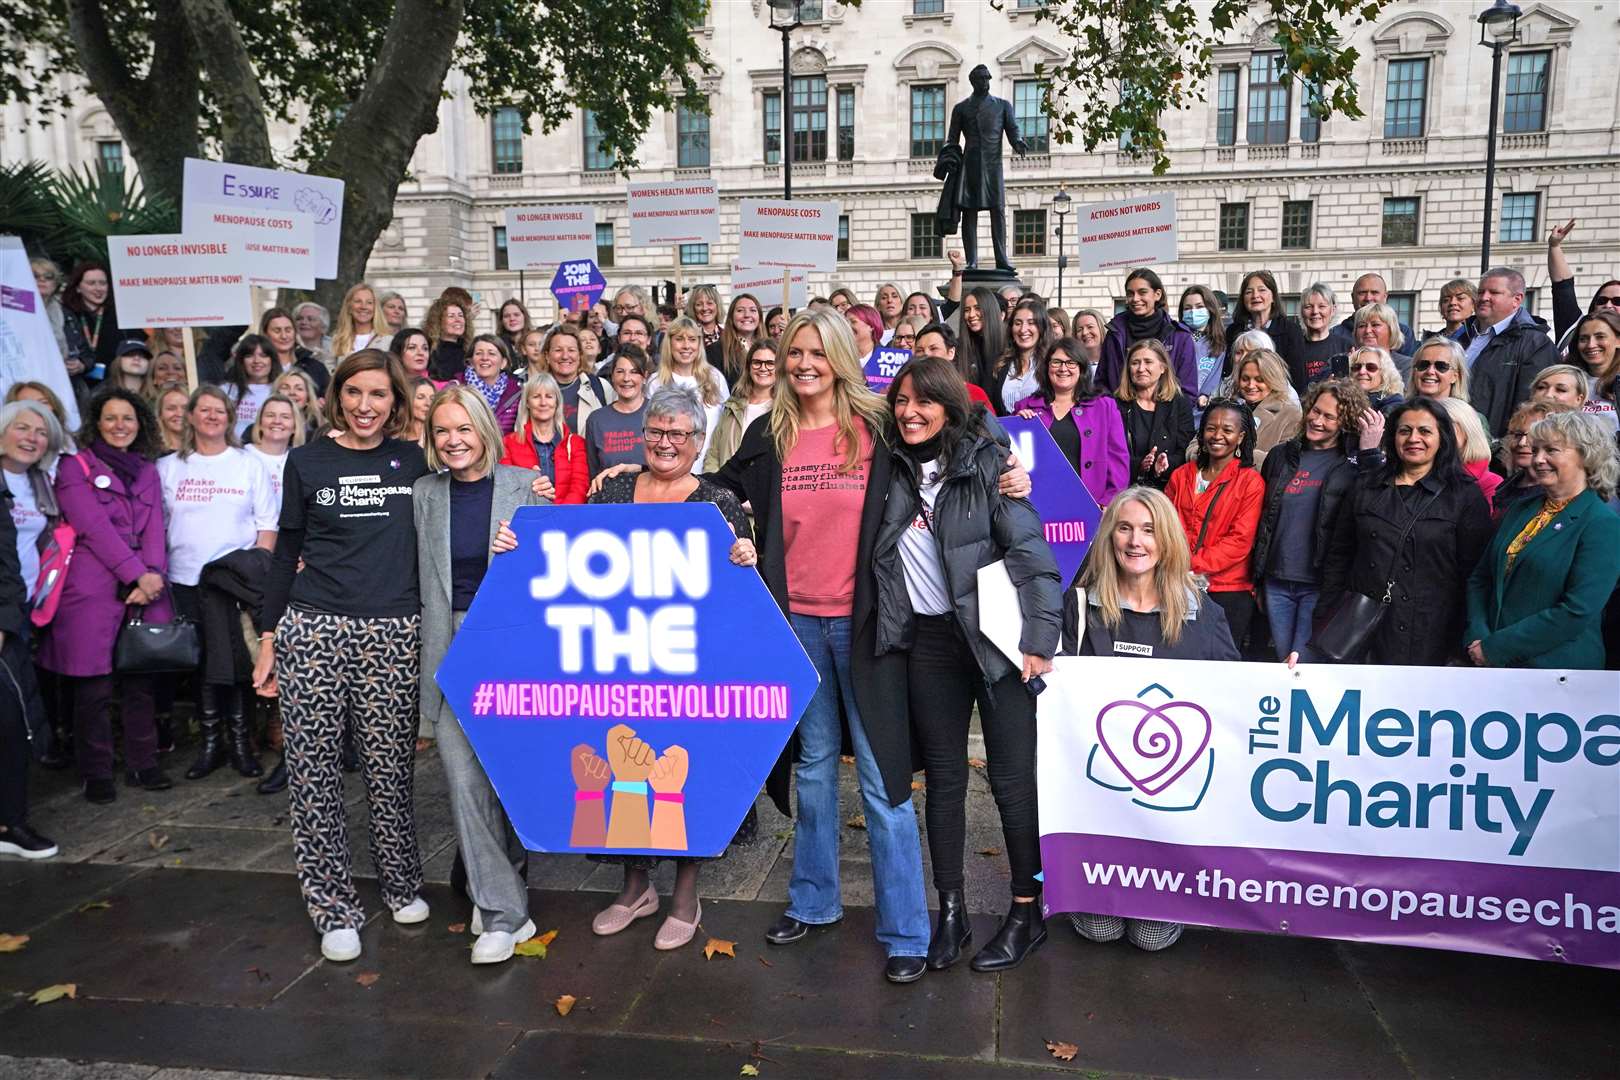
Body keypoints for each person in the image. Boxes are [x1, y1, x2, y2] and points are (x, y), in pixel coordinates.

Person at [710, 309, 1008, 984]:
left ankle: (907, 929)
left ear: (841, 356)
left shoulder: (876, 425)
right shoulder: (770, 433)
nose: (803, 363)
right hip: (796, 625)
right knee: (814, 769)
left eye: (817, 351)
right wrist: (736, 531)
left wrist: (1007, 473)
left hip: (868, 622)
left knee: (881, 778)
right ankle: (814, 903)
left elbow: (966, 430)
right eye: (794, 353)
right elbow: (719, 488)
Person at [876, 355, 1061, 972]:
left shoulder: (989, 464)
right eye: (901, 401)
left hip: (998, 645)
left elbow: (1032, 555)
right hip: (930, 645)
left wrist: (1040, 639)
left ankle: (1025, 909)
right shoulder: (889, 467)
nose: (909, 413)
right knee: (945, 782)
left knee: (1012, 783)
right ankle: (949, 911)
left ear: (950, 407)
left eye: (923, 402)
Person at [251, 349, 433, 964]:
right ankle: (332, 903)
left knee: (389, 770)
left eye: (378, 394)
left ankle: (402, 881)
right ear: (336, 397)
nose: (365, 405)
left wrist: (533, 487)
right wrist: (269, 638)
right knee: (314, 773)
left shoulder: (417, 460)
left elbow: (474, 484)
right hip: (315, 627)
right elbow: (286, 550)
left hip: (394, 631)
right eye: (354, 392)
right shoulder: (306, 462)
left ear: (396, 402)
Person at [584, 386, 759, 951]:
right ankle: (636, 886)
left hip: (691, 666)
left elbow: (740, 593)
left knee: (684, 770)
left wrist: (744, 557)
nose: (664, 443)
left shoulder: (717, 503)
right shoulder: (610, 493)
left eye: (677, 434)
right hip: (619, 658)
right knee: (624, 762)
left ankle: (686, 891)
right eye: (656, 432)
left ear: (698, 441)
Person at [1059, 486, 1237, 952]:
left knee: (1152, 938)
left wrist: (1286, 682)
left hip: (1169, 801)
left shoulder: (1201, 611)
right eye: (1124, 528)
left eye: (1148, 530)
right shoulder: (1078, 608)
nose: (1136, 542)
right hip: (1099, 796)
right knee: (1101, 930)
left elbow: (1237, 693)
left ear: (1167, 540)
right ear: (1109, 537)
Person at [414, 386, 546, 962]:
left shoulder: (525, 485)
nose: (453, 441)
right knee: (463, 778)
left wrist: (522, 549)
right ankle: (502, 911)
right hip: (449, 646)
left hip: (512, 647)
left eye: (463, 429)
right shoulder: (424, 493)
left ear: (485, 431)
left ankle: (499, 885)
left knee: (510, 781)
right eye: (442, 431)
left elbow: (554, 569)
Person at [40, 388, 173, 802]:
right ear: (97, 422)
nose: (120, 426)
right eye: (111, 418)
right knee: (92, 686)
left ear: (140, 424)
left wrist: (151, 577)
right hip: (92, 588)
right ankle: (96, 770)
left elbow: (155, 527)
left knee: (140, 677)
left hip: (145, 588)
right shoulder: (74, 467)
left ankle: (142, 762)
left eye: (128, 419)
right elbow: (92, 525)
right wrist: (134, 574)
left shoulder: (147, 469)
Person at [157, 386, 278, 781]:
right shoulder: (169, 467)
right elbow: (157, 525)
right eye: (203, 410)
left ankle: (242, 745)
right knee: (205, 665)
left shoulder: (247, 463)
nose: (212, 417)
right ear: (189, 416)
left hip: (234, 584)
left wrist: (254, 575)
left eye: (219, 411)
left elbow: (267, 525)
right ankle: (212, 744)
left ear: (230, 417)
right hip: (186, 580)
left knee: (239, 663)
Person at [1319, 398, 1493, 666]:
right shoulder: (1366, 487)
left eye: (1425, 431)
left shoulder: (1464, 495)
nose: (1414, 438)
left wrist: (1462, 643)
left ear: (1442, 438)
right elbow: (1339, 557)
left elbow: (1474, 573)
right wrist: (1325, 618)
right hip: (1364, 630)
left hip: (1433, 633)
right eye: (1405, 430)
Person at [1466, 410, 1620, 670]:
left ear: (1586, 455)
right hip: (1492, 667)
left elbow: (1577, 611)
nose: (1538, 459)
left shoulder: (1602, 523)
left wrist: (1497, 648)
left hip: (1557, 674)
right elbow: (1480, 578)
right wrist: (1478, 637)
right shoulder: (1519, 509)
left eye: (1551, 450)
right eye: (1536, 450)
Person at [1252, 379, 1382, 662]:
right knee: (1283, 663)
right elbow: (1264, 521)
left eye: (1329, 416)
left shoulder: (1352, 465)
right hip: (1277, 581)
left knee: (1304, 666)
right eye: (1315, 411)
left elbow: (1373, 508)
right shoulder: (1281, 456)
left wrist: (1369, 452)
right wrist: (1258, 578)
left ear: (1345, 422)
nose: (1317, 420)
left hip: (1320, 585)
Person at [0, 400, 59, 858]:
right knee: (10, 719)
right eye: (22, 427)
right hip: (5, 616)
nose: (31, 437)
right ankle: (10, 823)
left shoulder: (41, 483)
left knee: (15, 717)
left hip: (24, 612)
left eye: (41, 431)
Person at [1164, 398, 1265, 651]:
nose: (1217, 435)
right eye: (1211, 428)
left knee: (1220, 664)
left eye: (1227, 430)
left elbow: (1239, 541)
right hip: (1178, 586)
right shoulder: (1181, 475)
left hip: (1228, 589)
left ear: (1241, 437)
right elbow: (1166, 527)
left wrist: (1189, 562)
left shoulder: (1250, 482)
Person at [1015, 337, 1129, 507]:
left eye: (1071, 363)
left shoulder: (1105, 407)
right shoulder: (1024, 407)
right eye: (1056, 362)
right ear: (1046, 367)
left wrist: (1108, 504)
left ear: (1081, 368)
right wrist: (1019, 426)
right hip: (1039, 505)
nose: (1063, 368)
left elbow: (1118, 461)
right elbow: (1013, 460)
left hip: (1092, 505)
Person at [1467, 267, 1561, 438]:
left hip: (1496, 452)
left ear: (1517, 300)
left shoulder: (1536, 345)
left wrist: (1505, 450)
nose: (1483, 298)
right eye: (1480, 292)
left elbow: (1532, 406)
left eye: (1493, 292)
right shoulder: (1461, 337)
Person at [1096, 269, 1197, 397]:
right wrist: (1113, 411)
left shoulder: (1180, 336)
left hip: (1168, 414)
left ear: (1157, 294)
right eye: (1130, 294)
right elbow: (1101, 383)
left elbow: (1188, 391)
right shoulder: (1115, 334)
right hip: (1119, 413)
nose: (1135, 299)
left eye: (1142, 292)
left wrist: (1168, 415)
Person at [1115, 339, 1194, 490]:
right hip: (1126, 489)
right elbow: (1112, 453)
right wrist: (1140, 465)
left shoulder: (1179, 403)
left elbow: (1185, 450)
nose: (1140, 368)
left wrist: (1165, 464)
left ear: (1163, 367)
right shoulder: (1116, 405)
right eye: (1135, 363)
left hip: (1168, 489)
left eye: (1148, 362)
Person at [500, 373, 587, 504]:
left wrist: (559, 518)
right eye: (536, 396)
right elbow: (507, 488)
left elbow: (580, 487)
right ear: (527, 403)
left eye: (549, 396)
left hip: (567, 520)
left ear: (557, 402)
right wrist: (529, 484)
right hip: (528, 519)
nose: (543, 402)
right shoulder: (508, 443)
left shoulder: (576, 443)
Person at [645, 316, 728, 443]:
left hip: (712, 461)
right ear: (669, 343)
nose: (686, 346)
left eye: (692, 339)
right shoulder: (656, 382)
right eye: (679, 339)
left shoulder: (715, 377)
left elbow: (726, 423)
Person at [1546, 218, 1620, 355]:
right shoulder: (1574, 329)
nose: (1608, 305)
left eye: (1618, 301)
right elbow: (1562, 287)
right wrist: (1554, 245)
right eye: (1602, 300)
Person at [705, 341, 775, 475]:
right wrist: (717, 489)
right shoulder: (732, 406)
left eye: (770, 363)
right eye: (757, 362)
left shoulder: (785, 410)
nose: (763, 368)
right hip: (727, 491)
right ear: (749, 367)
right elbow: (714, 452)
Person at [1494, 399, 1574, 516]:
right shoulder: (1507, 485)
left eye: (1532, 436)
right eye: (1518, 435)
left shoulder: (1561, 496)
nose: (1522, 443)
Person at [1226, 270, 1306, 384]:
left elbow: (1298, 376)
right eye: (1249, 292)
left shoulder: (1291, 331)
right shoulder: (1233, 331)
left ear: (1273, 296)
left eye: (1262, 290)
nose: (1255, 296)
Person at [584, 345, 650, 480]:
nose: (626, 378)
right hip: (610, 498)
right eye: (620, 371)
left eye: (634, 372)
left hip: (653, 497)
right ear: (612, 376)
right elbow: (592, 473)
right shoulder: (596, 420)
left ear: (645, 377)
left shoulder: (659, 413)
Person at [987, 297, 1053, 416]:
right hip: (1003, 433)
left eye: (1031, 323)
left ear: (1042, 327)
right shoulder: (998, 363)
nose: (1023, 329)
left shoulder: (1052, 364)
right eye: (1018, 323)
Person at [1233, 349, 1301, 461]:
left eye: (1259, 380)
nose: (1251, 385)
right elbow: (1195, 447)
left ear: (1272, 379)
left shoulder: (1291, 414)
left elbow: (1283, 464)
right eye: (1245, 379)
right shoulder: (1226, 407)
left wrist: (1232, 453)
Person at [1434, 396, 1501, 509]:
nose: (1436, 433)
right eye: (1427, 428)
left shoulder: (1490, 483)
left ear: (1467, 429)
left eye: (1445, 425)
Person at [544, 325, 610, 437]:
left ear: (580, 355)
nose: (565, 356)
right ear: (547, 356)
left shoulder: (600, 386)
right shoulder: (533, 390)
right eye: (558, 350)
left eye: (571, 350)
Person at [451, 334, 521, 435]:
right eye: (479, 353)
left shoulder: (516, 392)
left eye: (491, 354)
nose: (484, 358)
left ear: (503, 363)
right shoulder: (455, 388)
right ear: (471, 361)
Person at [1178, 286, 1227, 418]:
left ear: (1210, 309)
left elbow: (1216, 374)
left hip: (1204, 413)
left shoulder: (1218, 342)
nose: (1193, 312)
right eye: (1187, 308)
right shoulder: (1177, 337)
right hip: (1177, 408)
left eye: (1199, 306)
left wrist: (1205, 394)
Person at [261, 308, 331, 396]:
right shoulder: (258, 367)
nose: (284, 336)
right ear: (265, 334)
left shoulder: (313, 367)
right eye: (277, 330)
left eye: (288, 330)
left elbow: (330, 397)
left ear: (295, 332)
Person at [219, 334, 277, 440]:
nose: (256, 361)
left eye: (263, 355)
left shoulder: (280, 390)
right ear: (241, 360)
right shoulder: (225, 391)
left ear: (272, 360)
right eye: (249, 356)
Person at [1335, 273, 1416, 346]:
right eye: (1362, 293)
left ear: (1385, 297)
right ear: (1353, 298)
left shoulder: (1403, 332)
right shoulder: (1336, 334)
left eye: (1374, 292)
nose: (1368, 298)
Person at [1296, 283, 1352, 389]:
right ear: (1301, 312)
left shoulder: (1346, 346)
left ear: (1333, 309)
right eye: (1308, 307)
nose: (1315, 312)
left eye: (1322, 306)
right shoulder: (1293, 347)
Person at [956, 287, 1006, 388]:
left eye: (977, 308)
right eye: (967, 310)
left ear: (990, 310)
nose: (971, 315)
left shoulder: (1008, 345)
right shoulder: (959, 348)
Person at [330, 283, 393, 359]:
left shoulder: (388, 341)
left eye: (369, 302)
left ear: (375, 308)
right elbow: (330, 368)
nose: (363, 307)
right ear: (349, 307)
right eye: (358, 301)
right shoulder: (338, 340)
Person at [1353, 302, 1411, 379]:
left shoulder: (1407, 365)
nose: (1367, 330)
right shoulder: (1347, 362)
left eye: (1375, 325)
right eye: (1362, 326)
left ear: (1391, 329)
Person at [1405, 336, 1472, 405]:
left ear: (1455, 376)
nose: (1430, 371)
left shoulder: (1468, 415)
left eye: (1441, 366)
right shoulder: (1398, 413)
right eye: (1423, 365)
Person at [29, 257, 69, 365]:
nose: (42, 280)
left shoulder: (64, 310)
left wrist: (81, 362)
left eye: (48, 277)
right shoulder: (15, 308)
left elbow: (78, 345)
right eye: (35, 276)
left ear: (55, 284)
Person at [425, 296, 473, 382]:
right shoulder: (428, 351)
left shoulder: (470, 350)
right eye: (451, 316)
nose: (458, 320)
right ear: (438, 321)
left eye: (461, 315)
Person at [1348, 345, 1406, 415]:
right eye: (1356, 367)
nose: (1362, 372)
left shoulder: (1394, 404)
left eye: (1371, 367)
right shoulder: (1345, 400)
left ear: (1384, 373)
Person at [272, 370, 325, 436]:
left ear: (308, 398)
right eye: (285, 388)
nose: (292, 392)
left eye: (299, 389)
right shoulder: (268, 425)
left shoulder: (319, 428)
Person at [685, 285, 724, 364]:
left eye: (709, 303)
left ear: (717, 306)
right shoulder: (688, 336)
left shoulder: (728, 335)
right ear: (693, 308)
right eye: (699, 304)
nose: (705, 308)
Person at [1432, 278, 1478, 344]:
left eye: (1460, 298)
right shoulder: (1429, 341)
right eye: (1446, 300)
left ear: (1474, 305)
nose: (1452, 303)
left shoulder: (1480, 338)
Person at [155, 384, 189, 454]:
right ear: (160, 414)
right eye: (171, 408)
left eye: (185, 408)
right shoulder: (153, 453)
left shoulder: (204, 450)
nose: (180, 414)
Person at [402, 377, 435, 444]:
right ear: (407, 401)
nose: (428, 403)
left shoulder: (438, 436)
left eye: (432, 398)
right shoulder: (393, 439)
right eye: (420, 397)